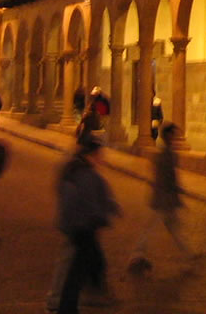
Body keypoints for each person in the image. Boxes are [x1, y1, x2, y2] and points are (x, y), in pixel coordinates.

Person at [53, 135, 120, 314]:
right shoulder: (86, 174)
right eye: (100, 153)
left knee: (86, 263)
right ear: (93, 153)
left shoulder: (77, 169)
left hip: (77, 226)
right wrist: (101, 216)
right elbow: (90, 202)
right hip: (83, 227)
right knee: (77, 269)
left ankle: (79, 299)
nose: (102, 157)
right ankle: (64, 306)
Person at [128, 122, 197, 272]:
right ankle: (137, 255)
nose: (177, 137)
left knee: (169, 229)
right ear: (169, 136)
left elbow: (159, 175)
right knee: (163, 228)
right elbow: (169, 179)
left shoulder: (162, 154)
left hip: (161, 198)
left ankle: (189, 253)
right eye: (174, 134)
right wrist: (178, 194)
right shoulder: (168, 155)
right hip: (164, 200)